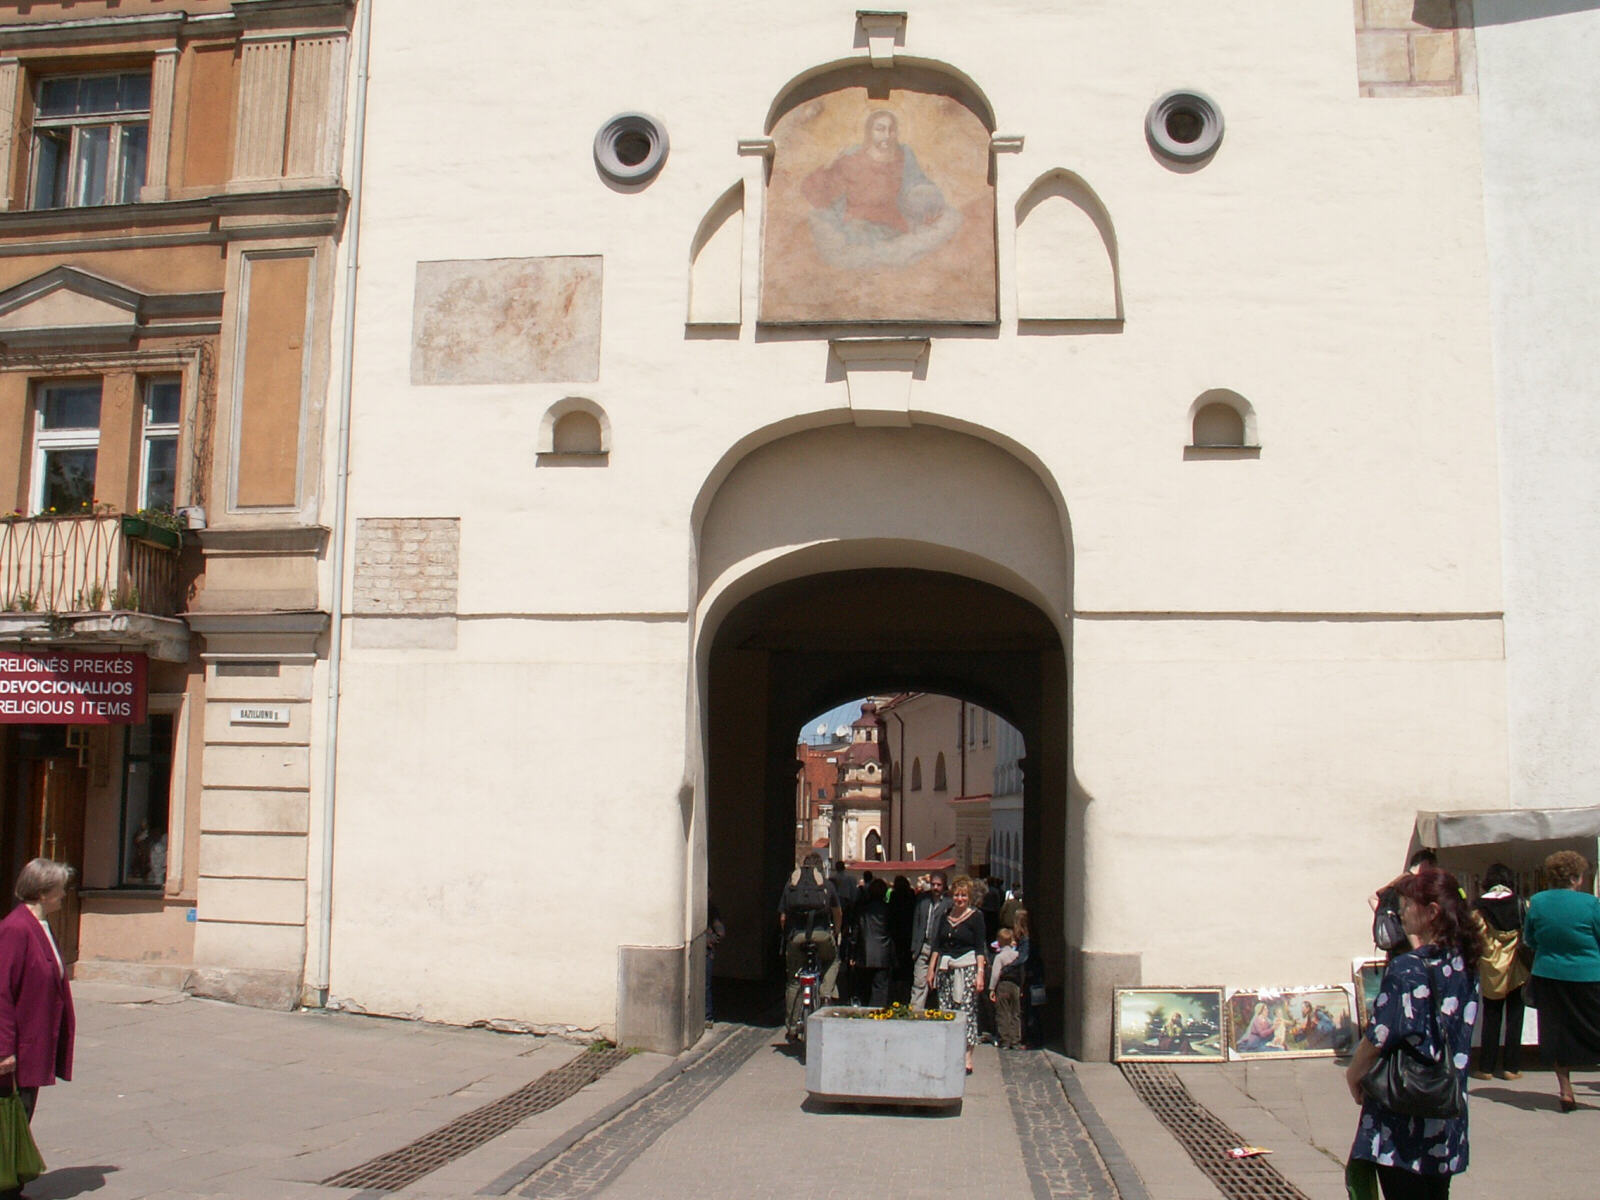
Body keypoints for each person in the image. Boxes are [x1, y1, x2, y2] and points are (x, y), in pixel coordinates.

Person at [1345, 867, 1478, 1199]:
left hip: (1404, 1112)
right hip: (1446, 1106)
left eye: (1407, 906)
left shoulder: (1407, 969)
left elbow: (1380, 1036)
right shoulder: (1466, 962)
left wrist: (1353, 1075)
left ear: (1431, 912)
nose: (1400, 912)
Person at [799, 108, 961, 269]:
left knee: (950, 219)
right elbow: (821, 190)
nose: (886, 135)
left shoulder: (903, 155)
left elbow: (918, 182)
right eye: (880, 129)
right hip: (860, 225)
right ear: (869, 132)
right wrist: (829, 164)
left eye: (891, 130)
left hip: (896, 222)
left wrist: (928, 206)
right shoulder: (852, 159)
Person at [0, 858, 76, 1198]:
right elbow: (1, 989)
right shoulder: (16, 928)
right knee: (10, 1117)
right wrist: (4, 1050)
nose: (64, 894)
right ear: (44, 892)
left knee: (22, 1114)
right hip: (19, 1043)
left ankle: (11, 1185)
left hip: (38, 1038)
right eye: (59, 888)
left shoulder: (41, 924)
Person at [1521, 849, 1600, 1112]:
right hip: (1589, 976)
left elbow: (1530, 939)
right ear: (1577, 878)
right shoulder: (1591, 904)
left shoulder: (1538, 902)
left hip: (1549, 975)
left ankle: (1566, 1092)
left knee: (1557, 1033)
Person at [1469, 863, 1528, 1080]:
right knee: (1515, 1017)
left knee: (1491, 1017)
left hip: (1490, 967)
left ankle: (1486, 1067)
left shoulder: (1478, 907)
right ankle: (1511, 1067)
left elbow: (1474, 937)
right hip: (1517, 968)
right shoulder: (1522, 904)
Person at [778, 852, 842, 1039]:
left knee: (793, 981)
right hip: (822, 935)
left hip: (796, 937)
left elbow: (782, 917)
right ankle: (826, 993)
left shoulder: (791, 886)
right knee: (834, 959)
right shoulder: (826, 885)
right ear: (820, 868)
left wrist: (787, 934)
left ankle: (791, 1026)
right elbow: (838, 913)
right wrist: (836, 932)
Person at [928, 875, 987, 1074]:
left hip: (967, 967)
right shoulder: (945, 915)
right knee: (946, 1009)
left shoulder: (976, 916)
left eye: (963, 896)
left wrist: (980, 974)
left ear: (968, 897)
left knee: (966, 1010)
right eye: (956, 895)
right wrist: (931, 969)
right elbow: (937, 944)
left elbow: (980, 947)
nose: (959, 899)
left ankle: (967, 1056)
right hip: (946, 968)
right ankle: (948, 1050)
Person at [909, 870, 950, 1012]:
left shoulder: (949, 903)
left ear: (944, 886)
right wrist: (914, 947)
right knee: (919, 983)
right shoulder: (922, 900)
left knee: (939, 983)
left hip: (940, 950)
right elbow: (916, 922)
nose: (936, 888)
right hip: (923, 946)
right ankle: (915, 1013)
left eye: (939, 885)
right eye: (933, 884)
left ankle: (940, 1013)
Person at [854, 877, 895, 1007]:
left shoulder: (863, 909)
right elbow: (893, 930)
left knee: (864, 989)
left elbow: (856, 931)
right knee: (881, 988)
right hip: (883, 953)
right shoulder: (888, 910)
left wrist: (852, 954)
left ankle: (865, 1012)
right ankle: (877, 1015)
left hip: (864, 952)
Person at [989, 928, 1023, 1050]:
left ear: (999, 941)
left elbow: (995, 974)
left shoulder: (1000, 957)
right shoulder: (1017, 955)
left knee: (1003, 1012)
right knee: (1015, 1013)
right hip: (1015, 985)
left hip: (1003, 985)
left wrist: (992, 988)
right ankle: (1016, 1040)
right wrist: (1022, 986)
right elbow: (1021, 972)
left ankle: (1005, 1040)